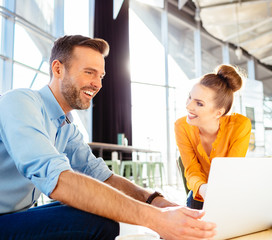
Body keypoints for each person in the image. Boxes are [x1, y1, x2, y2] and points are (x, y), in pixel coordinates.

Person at [0, 35, 216, 240]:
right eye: (89, 72)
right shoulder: (20, 102)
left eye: (100, 76)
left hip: (12, 216)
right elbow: (58, 180)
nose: (98, 84)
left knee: (103, 206)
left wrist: (159, 203)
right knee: (96, 219)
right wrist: (158, 220)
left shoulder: (65, 125)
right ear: (58, 69)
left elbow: (102, 176)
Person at [175, 64, 252, 210]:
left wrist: (217, 194)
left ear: (218, 113)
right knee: (195, 202)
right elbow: (192, 170)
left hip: (229, 191)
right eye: (189, 97)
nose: (188, 106)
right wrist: (204, 189)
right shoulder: (181, 127)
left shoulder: (240, 125)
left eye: (199, 103)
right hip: (201, 193)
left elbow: (230, 169)